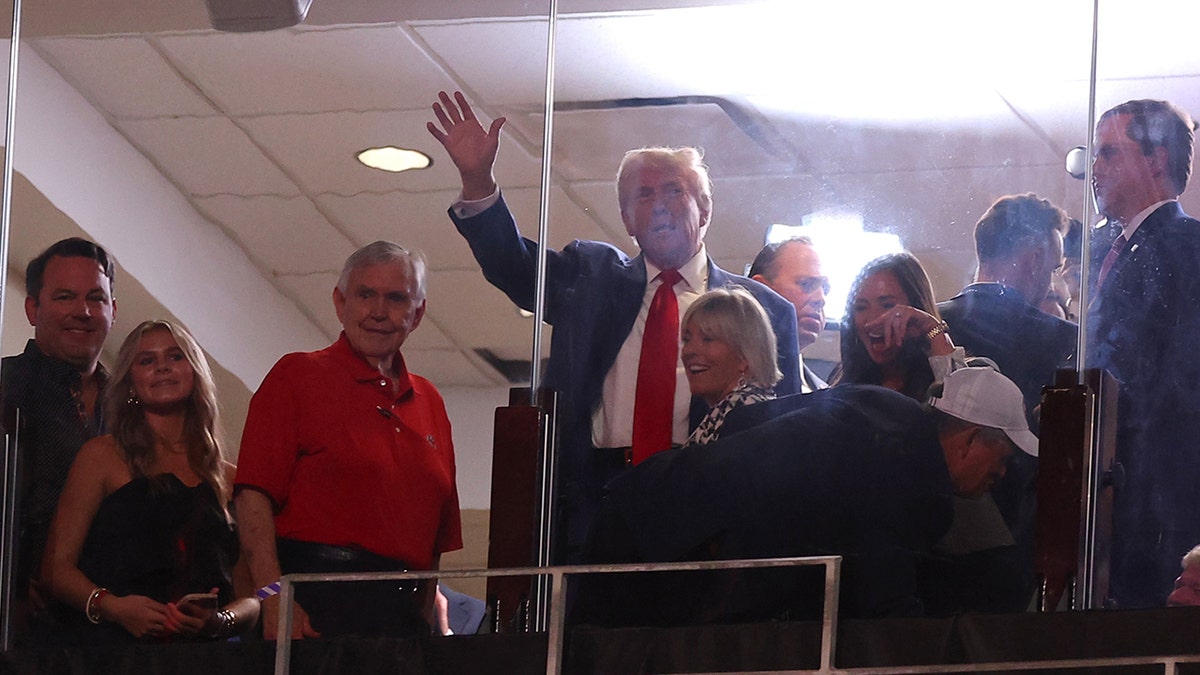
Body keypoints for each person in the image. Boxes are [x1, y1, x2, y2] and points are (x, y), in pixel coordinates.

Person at [426, 90, 800, 562]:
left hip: (707, 507)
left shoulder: (761, 310)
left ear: (704, 211)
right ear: (627, 219)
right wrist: (477, 180)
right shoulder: (591, 275)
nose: (660, 205)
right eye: (644, 195)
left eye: (674, 191)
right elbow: (514, 266)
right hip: (596, 504)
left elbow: (784, 436)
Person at [583, 366, 1035, 622]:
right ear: (971, 439)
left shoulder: (885, 412)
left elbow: (748, 425)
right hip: (661, 551)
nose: (1001, 472)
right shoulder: (910, 467)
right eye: (1002, 456)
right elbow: (887, 595)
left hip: (644, 509)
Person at [234, 241, 461, 639]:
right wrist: (273, 599)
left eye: (395, 298)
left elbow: (435, 544)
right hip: (314, 608)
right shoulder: (296, 376)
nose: (377, 312)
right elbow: (252, 502)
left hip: (401, 620)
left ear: (418, 313)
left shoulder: (431, 402)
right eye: (365, 295)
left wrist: (423, 627)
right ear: (340, 303)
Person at [39, 320, 258, 644]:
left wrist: (222, 620)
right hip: (114, 653)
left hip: (204, 658)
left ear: (195, 371)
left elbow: (257, 594)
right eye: (147, 361)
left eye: (175, 357)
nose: (162, 368)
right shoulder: (101, 456)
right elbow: (55, 569)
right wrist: (113, 607)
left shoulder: (229, 477)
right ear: (130, 382)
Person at [1087, 99, 1200, 608]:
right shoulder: (1115, 251)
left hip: (1162, 508)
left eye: (1109, 153)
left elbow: (1174, 387)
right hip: (1122, 500)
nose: (1095, 169)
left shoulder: (1185, 246)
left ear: (1157, 160)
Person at [1, 238, 116, 641]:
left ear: (113, 311)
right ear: (33, 308)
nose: (82, 312)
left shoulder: (137, 408)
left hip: (121, 632)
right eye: (64, 296)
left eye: (95, 298)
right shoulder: (5, 387)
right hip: (20, 628)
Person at [938, 193, 1077, 423]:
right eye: (1053, 269)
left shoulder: (932, 324)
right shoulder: (1066, 340)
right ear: (1035, 260)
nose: (1050, 284)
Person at [832, 252, 960, 401]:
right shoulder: (842, 383)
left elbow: (963, 412)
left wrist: (933, 329)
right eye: (861, 307)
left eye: (887, 305)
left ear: (916, 308)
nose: (872, 321)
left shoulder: (973, 369)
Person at [680, 288, 781, 447]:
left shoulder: (747, 419)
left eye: (707, 339)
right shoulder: (731, 411)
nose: (688, 351)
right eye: (687, 339)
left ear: (745, 355)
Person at [748, 237, 829, 392]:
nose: (821, 299)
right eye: (806, 284)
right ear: (761, 289)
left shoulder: (824, 393)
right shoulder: (721, 382)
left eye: (825, 289)